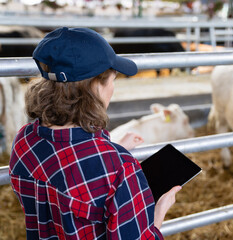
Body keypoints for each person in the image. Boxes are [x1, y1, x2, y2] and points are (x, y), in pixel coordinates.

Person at [9, 27, 181, 239]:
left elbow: (69, 163)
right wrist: (158, 212)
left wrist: (115, 148)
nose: (112, 88)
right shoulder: (119, 169)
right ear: (94, 86)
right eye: (112, 79)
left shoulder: (24, 140)